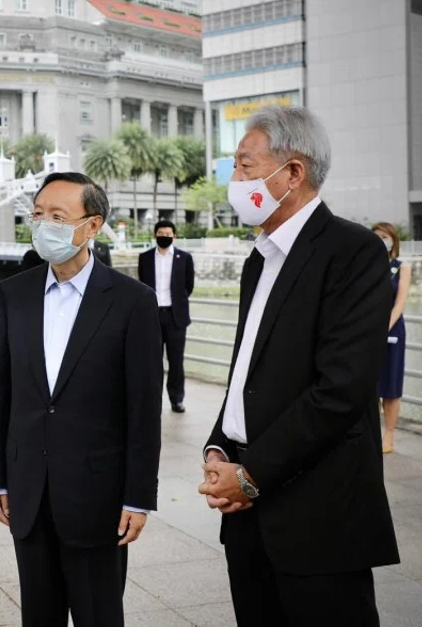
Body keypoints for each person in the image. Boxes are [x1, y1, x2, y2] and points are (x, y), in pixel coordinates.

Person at [198, 106, 399, 627]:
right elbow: (249, 368)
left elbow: (342, 390)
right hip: (245, 512)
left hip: (318, 514)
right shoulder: (258, 259)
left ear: (293, 172)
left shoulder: (352, 252)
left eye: (245, 166)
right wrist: (220, 443)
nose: (235, 181)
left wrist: (252, 473)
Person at [0, 172, 163, 627]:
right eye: (38, 215)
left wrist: (138, 497)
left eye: (58, 217)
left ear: (92, 225)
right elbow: (0, 392)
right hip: (28, 492)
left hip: (97, 498)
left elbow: (143, 410)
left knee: (98, 615)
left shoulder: (132, 302)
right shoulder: (13, 294)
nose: (45, 225)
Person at [137, 221, 195, 412]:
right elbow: (142, 285)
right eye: (161, 233)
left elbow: (189, 286)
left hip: (175, 317)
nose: (164, 235)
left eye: (168, 233)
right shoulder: (144, 258)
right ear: (155, 235)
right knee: (152, 362)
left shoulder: (184, 258)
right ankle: (152, 400)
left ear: (174, 236)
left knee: (176, 361)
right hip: (151, 316)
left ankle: (176, 399)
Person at [372, 222, 410, 454]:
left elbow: (400, 301)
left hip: (393, 330)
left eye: (384, 236)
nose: (381, 240)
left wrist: (385, 326)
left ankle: (389, 436)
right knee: (369, 385)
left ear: (393, 240)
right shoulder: (367, 266)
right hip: (369, 330)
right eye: (376, 237)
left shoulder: (401, 267)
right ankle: (372, 434)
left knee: (391, 385)